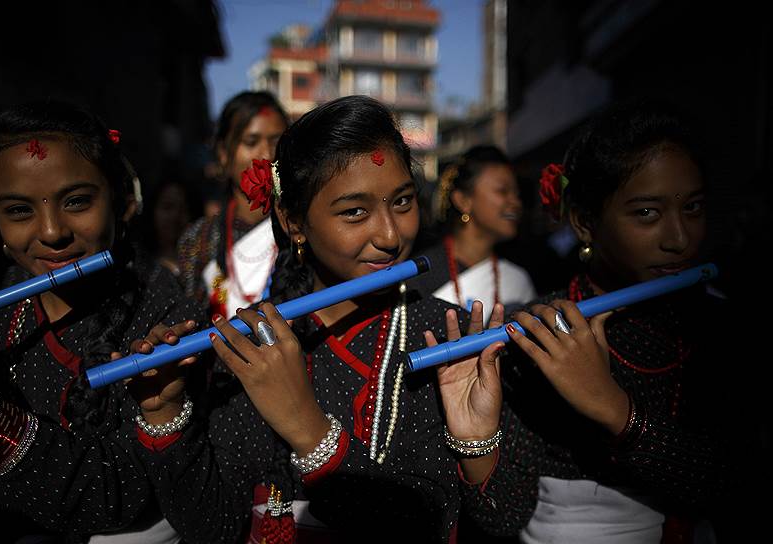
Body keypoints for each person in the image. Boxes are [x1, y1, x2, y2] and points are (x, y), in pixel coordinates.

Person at [137, 95, 506, 543]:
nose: (391, 235)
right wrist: (167, 415)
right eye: (355, 211)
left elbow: (456, 520)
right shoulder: (259, 344)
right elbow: (216, 525)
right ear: (293, 222)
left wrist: (310, 431)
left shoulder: (448, 337)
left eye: (404, 201)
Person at [461, 99, 744, 543]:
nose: (680, 238)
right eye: (647, 213)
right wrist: (473, 439)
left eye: (692, 208)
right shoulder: (537, 337)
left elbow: (737, 489)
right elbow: (505, 516)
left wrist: (612, 406)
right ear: (585, 222)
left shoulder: (723, 325)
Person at [0, 100, 206, 543]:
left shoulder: (168, 321)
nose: (51, 232)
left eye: (77, 202)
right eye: (19, 211)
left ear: (122, 201)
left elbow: (118, 497)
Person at [178, 91, 289, 319]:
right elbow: (189, 319)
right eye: (251, 141)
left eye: (277, 141)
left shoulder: (300, 228)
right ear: (222, 154)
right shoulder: (199, 239)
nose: (266, 154)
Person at [419, 145, 537, 317]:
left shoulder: (517, 279)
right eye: (502, 191)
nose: (516, 203)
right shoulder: (423, 272)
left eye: (517, 194)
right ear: (463, 200)